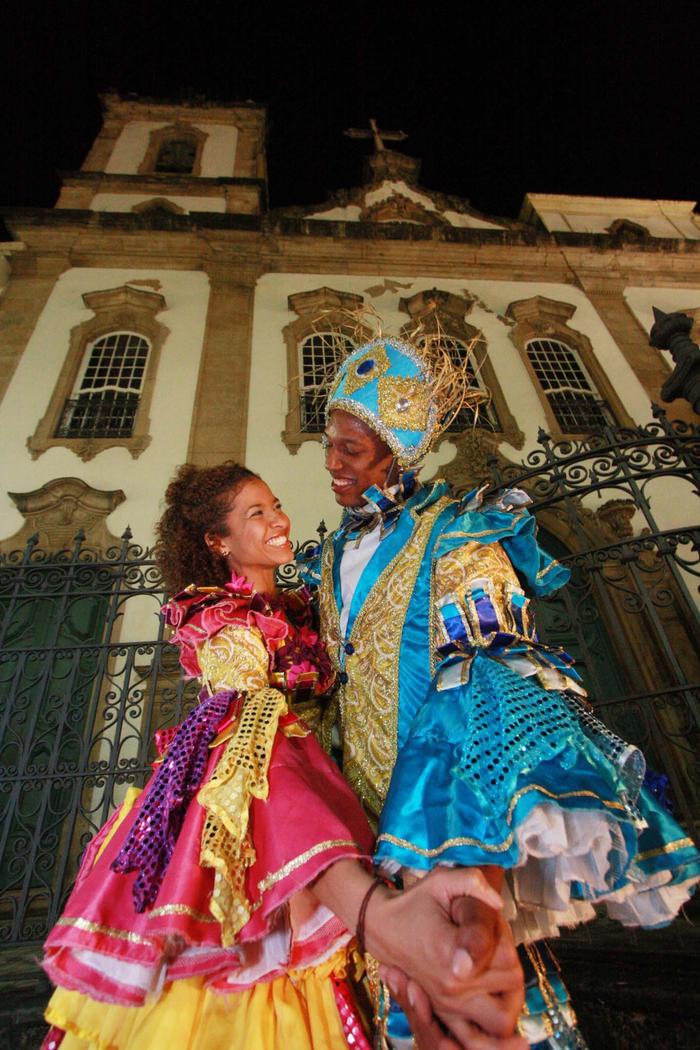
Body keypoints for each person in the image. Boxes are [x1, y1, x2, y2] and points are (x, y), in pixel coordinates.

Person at [299, 332, 700, 1047]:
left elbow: (489, 686)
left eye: (352, 450)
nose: (331, 463)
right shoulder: (323, 557)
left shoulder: (460, 533)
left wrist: (456, 862)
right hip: (350, 849)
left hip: (445, 837)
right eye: (328, 443)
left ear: (399, 455)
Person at [40, 462, 526, 1050]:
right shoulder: (227, 627)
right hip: (272, 832)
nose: (279, 520)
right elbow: (255, 747)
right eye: (257, 513)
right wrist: (367, 905)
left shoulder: (300, 606)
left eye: (274, 505)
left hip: (345, 807)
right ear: (216, 543)